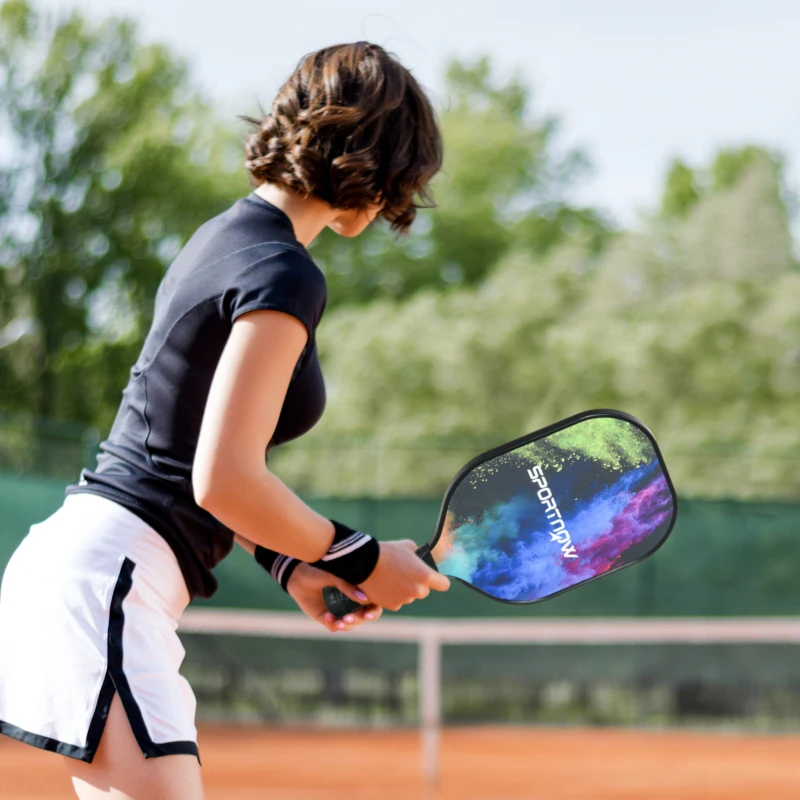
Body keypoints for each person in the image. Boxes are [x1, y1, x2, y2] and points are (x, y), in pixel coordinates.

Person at [0, 41, 450, 799]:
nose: (394, 206)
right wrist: (360, 557)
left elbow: (182, 449)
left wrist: (290, 562)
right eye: (399, 181)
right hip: (112, 577)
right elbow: (224, 479)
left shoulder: (226, 237)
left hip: (93, 568)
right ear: (372, 163)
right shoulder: (285, 271)